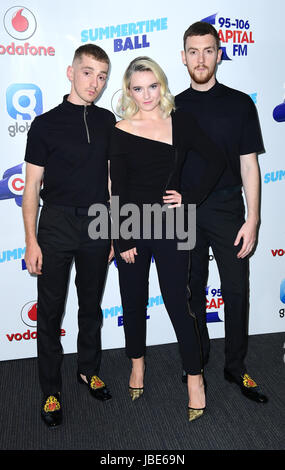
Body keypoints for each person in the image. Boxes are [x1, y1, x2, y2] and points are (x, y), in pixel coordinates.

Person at [109, 56, 225, 422]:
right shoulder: (121, 128)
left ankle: (195, 380)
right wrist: (120, 235)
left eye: (152, 86)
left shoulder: (180, 122)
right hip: (132, 224)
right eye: (138, 88)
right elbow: (116, 187)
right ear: (129, 91)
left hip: (172, 224)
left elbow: (217, 159)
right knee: (132, 300)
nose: (146, 95)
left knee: (179, 303)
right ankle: (137, 366)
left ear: (162, 85)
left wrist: (189, 197)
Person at [22, 44, 116, 427]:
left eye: (102, 75)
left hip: (97, 223)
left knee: (91, 305)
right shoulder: (45, 124)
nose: (95, 82)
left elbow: (113, 181)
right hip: (57, 223)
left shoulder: (110, 120)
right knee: (50, 311)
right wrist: (31, 240)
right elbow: (31, 187)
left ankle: (88, 369)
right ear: (70, 72)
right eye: (88, 72)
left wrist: (117, 233)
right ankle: (49, 390)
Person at [176, 21, 268, 403]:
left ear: (219, 54)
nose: (201, 58)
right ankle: (196, 362)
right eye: (193, 51)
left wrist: (253, 218)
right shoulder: (171, 105)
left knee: (235, 290)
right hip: (184, 212)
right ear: (183, 57)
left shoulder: (240, 103)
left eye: (208, 50)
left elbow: (250, 165)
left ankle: (236, 367)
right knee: (191, 291)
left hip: (230, 209)